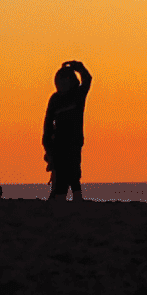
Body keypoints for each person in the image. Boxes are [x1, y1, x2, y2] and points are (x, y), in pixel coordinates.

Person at [43, 61, 93, 201]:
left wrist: (78, 66)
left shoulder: (78, 95)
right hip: (58, 142)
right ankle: (59, 197)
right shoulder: (55, 99)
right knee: (60, 175)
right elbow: (47, 124)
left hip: (74, 141)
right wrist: (47, 145)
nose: (60, 85)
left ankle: (77, 199)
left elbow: (88, 79)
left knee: (74, 173)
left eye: (63, 82)